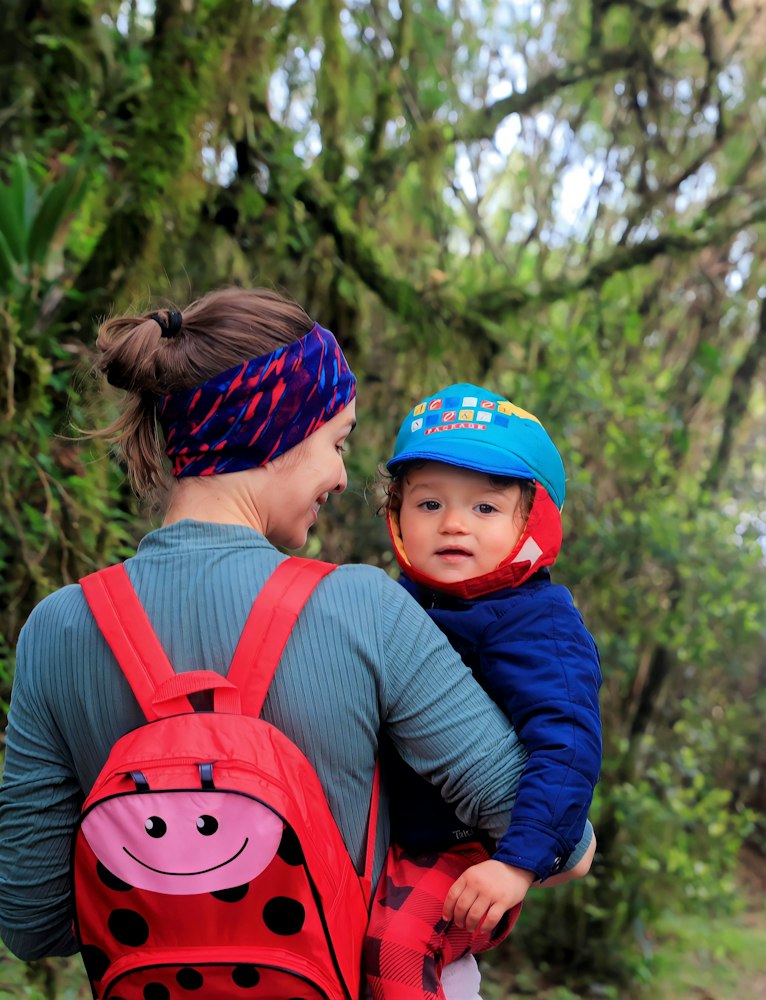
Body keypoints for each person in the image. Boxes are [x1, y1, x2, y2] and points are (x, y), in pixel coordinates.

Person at [0, 290, 589, 980]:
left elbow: (32, 919)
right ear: (278, 430)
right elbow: (562, 843)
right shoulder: (363, 609)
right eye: (336, 443)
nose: (341, 477)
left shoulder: (59, 628)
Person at [365, 383, 602, 1000]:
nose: (452, 525)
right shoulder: (395, 604)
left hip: (469, 851)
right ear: (396, 514)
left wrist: (517, 863)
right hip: (382, 840)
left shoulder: (536, 621)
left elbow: (567, 746)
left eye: (485, 509)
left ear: (532, 521)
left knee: (397, 951)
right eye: (429, 503)